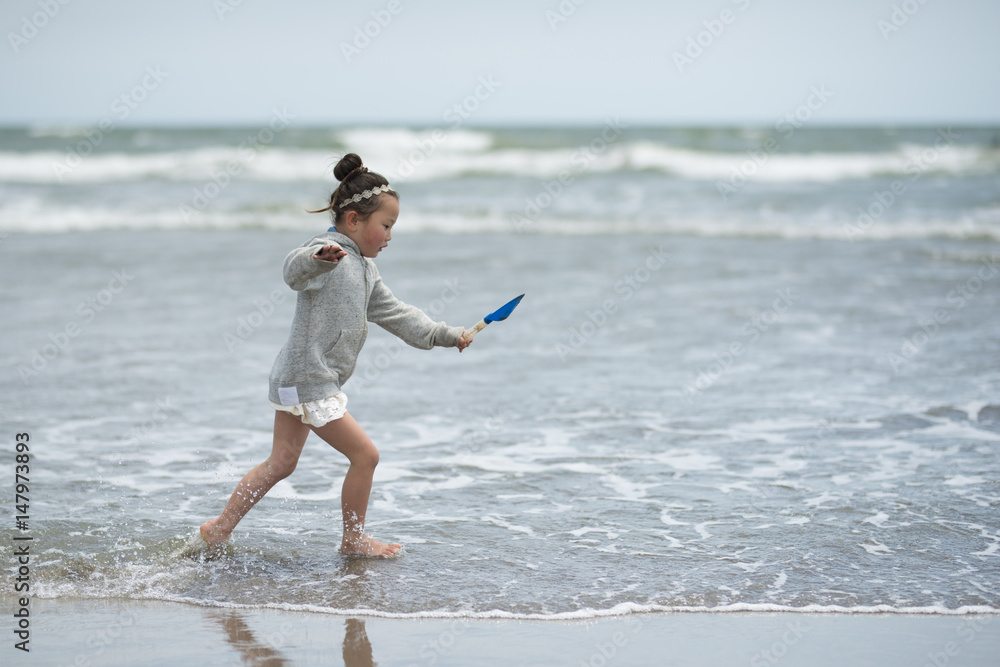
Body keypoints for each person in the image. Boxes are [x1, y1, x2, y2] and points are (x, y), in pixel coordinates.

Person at [200, 153, 471, 557]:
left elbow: (400, 316)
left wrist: (447, 335)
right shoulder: (328, 253)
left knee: (282, 463)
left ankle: (219, 528)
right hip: (309, 379)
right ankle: (353, 539)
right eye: (386, 226)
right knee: (366, 456)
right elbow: (293, 271)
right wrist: (316, 260)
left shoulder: (365, 271)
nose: (390, 236)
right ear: (354, 222)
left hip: (299, 379)